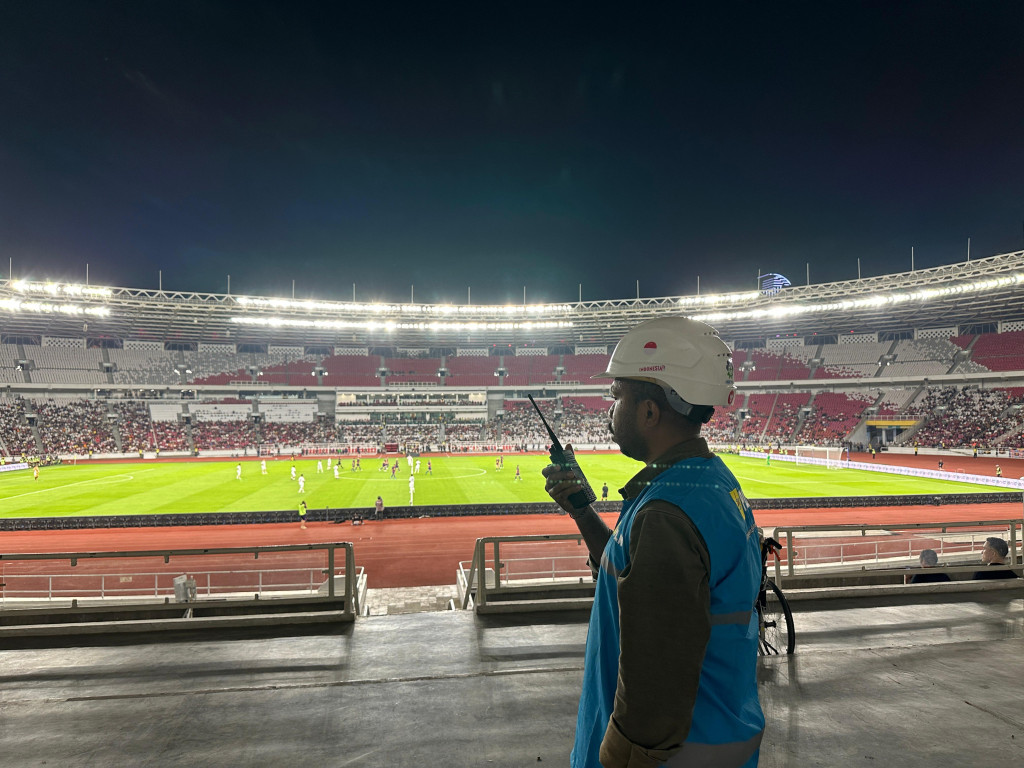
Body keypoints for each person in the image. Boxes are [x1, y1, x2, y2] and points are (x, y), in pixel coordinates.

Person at [543, 316, 763, 768]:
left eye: (617, 395)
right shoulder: (702, 485)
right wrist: (584, 511)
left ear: (648, 412)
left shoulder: (667, 513)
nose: (610, 408)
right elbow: (636, 579)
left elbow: (654, 693)